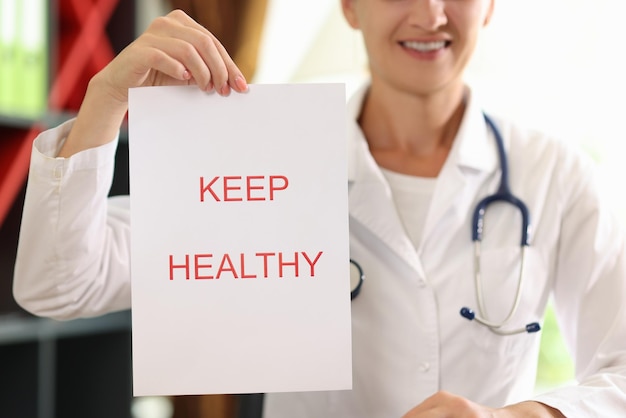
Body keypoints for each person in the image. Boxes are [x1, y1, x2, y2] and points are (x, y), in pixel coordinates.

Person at [13, 1, 626, 417]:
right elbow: (60, 285)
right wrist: (105, 101)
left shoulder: (554, 173)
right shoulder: (265, 152)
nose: (432, 14)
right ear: (349, 5)